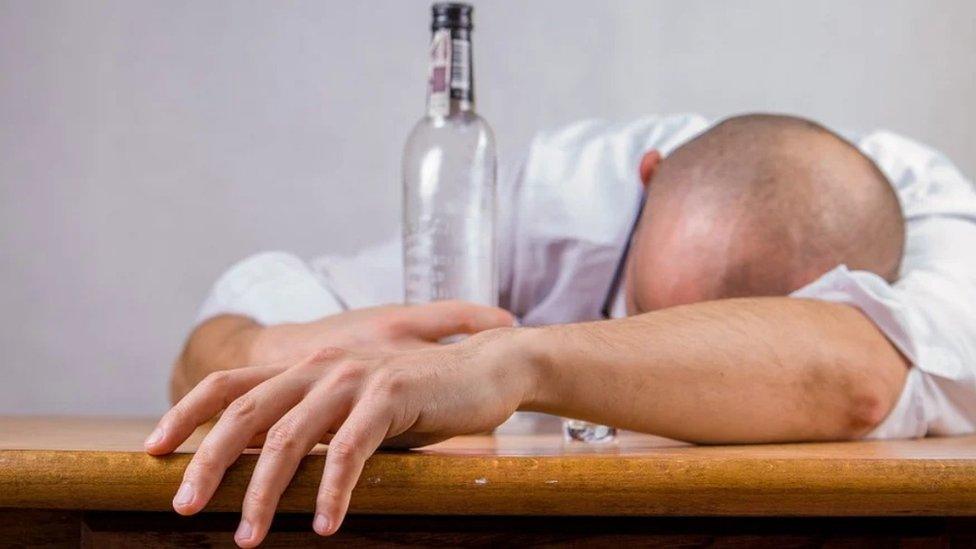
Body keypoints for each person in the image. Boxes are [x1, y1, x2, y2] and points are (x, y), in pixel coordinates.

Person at [145, 113, 976, 547]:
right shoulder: (563, 197)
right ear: (643, 181)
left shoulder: (934, 215)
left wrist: (509, 364)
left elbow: (858, 379)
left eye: (719, 335)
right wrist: (272, 350)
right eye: (643, 313)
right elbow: (220, 332)